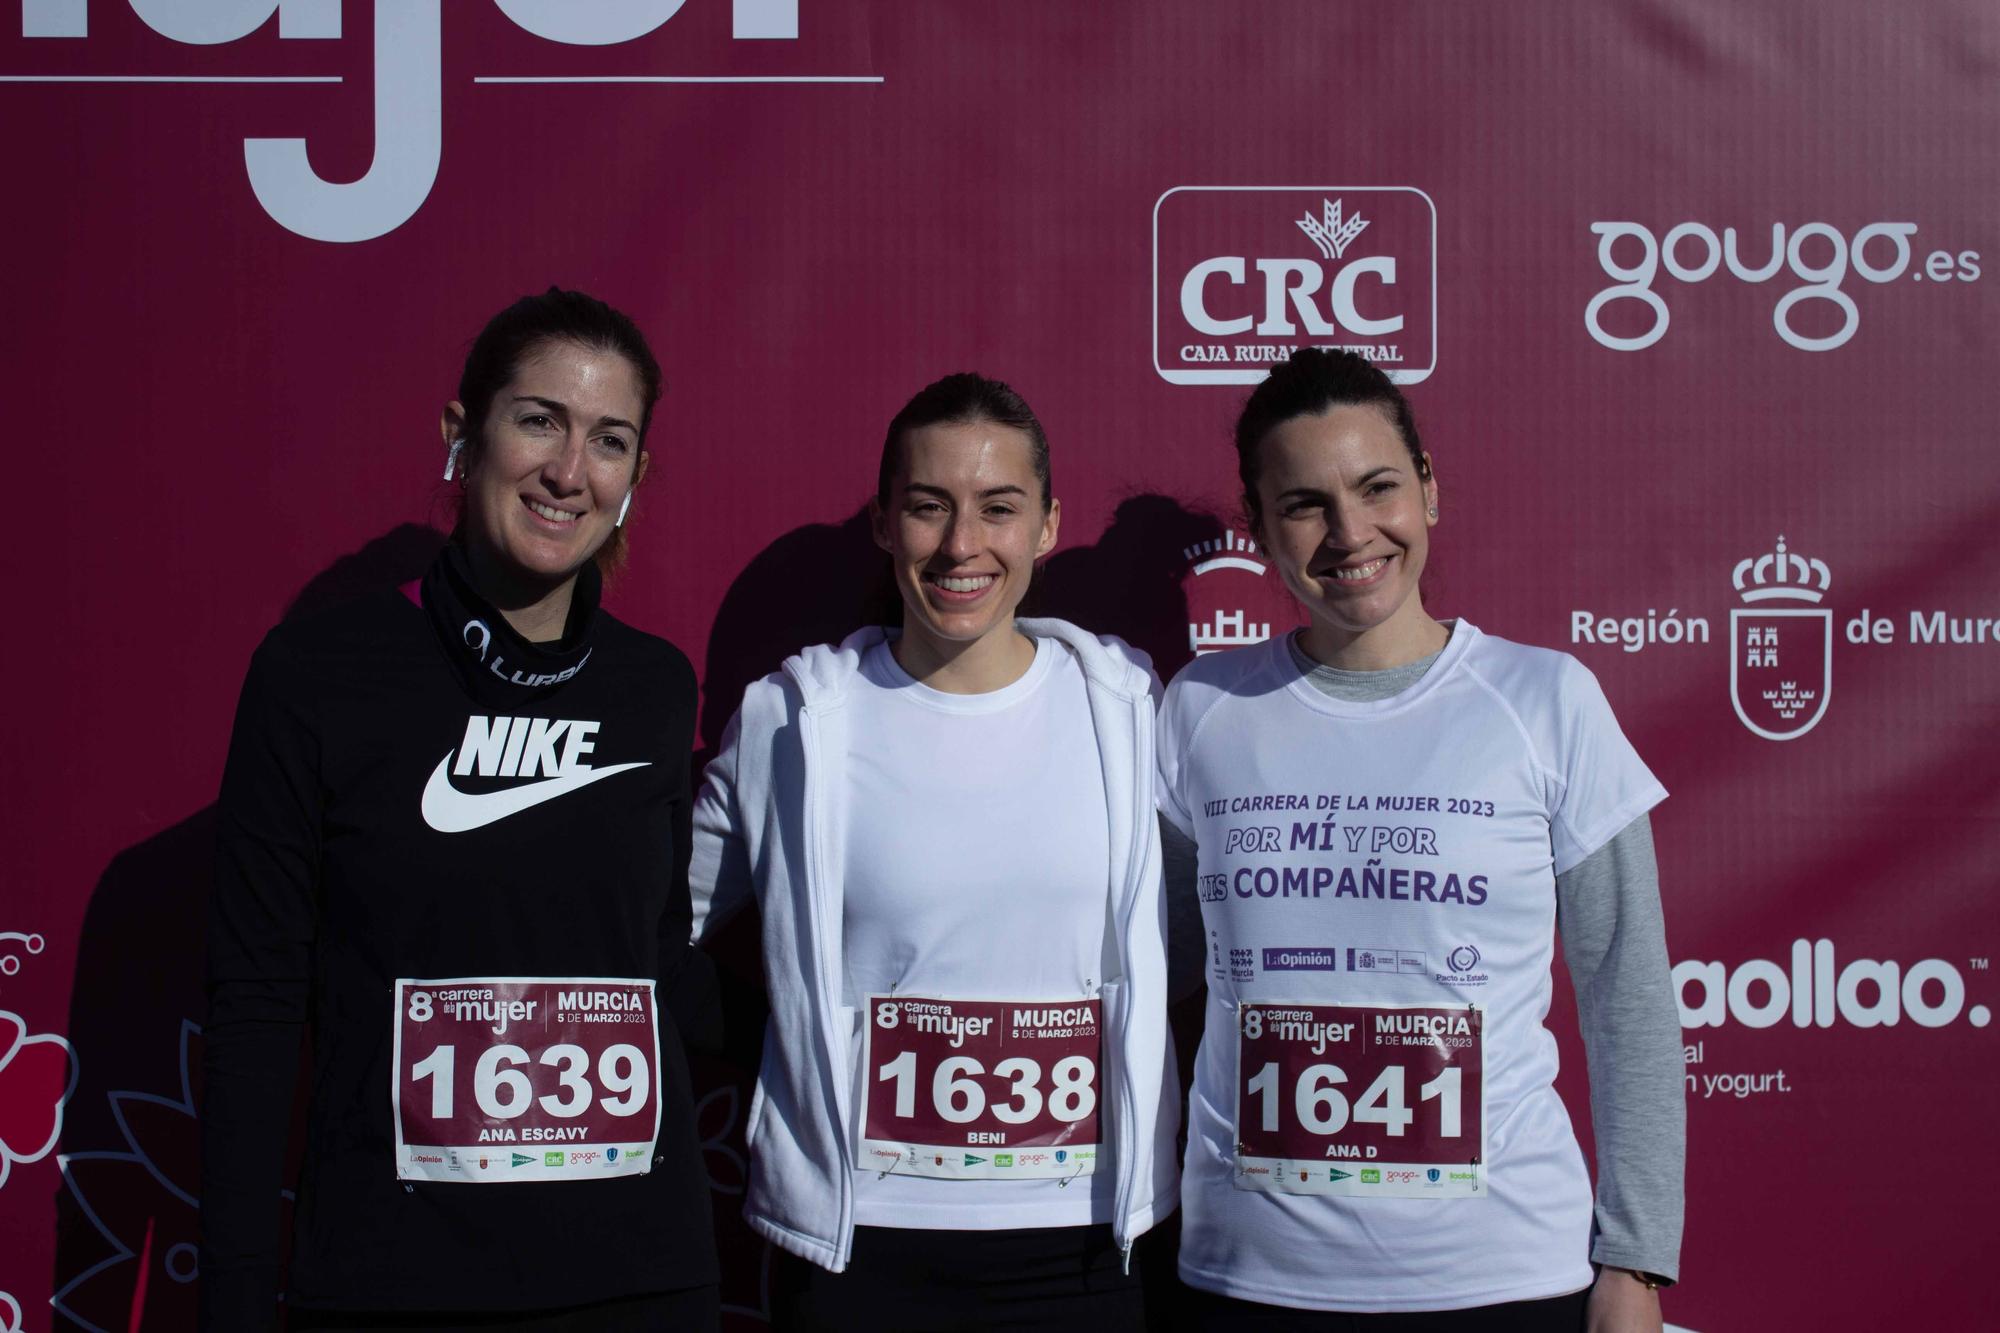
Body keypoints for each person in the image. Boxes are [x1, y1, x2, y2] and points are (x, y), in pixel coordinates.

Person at [199, 289, 719, 1331]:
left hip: (635, 1282)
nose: (569, 470)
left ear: (633, 481)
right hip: (395, 1287)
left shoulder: (655, 689)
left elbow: (662, 970)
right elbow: (255, 1013)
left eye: (607, 441)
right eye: (538, 421)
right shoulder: (317, 675)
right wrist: (236, 1300)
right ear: (460, 435)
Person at [1156, 349, 1683, 1330]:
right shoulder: (1200, 710)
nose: (1351, 533)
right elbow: (1151, 974)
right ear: (1260, 526)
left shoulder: (1544, 699)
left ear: (1427, 489)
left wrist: (1635, 1259)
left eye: (1378, 487)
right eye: (1305, 503)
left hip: (1500, 1277)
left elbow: (1628, 993)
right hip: (1246, 1279)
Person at [689, 373, 1179, 1331]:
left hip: (1082, 1244)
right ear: (884, 523)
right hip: (860, 1249)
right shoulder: (792, 722)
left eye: (999, 509)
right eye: (928, 507)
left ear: (1046, 527)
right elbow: (654, 928)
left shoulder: (1130, 710)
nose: (962, 545)